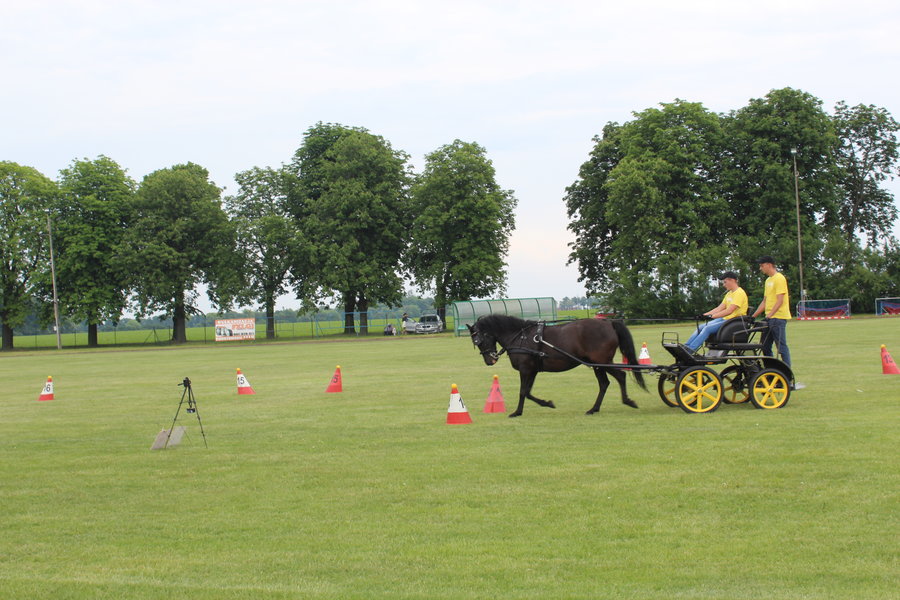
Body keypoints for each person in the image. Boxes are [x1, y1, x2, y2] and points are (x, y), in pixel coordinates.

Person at [683, 271, 748, 352]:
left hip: (734, 321)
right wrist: (703, 315)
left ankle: (690, 350)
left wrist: (711, 316)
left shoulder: (739, 293)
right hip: (726, 320)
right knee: (700, 327)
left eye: (725, 282)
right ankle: (686, 347)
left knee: (707, 329)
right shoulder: (729, 294)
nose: (724, 285)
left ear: (732, 280)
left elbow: (729, 311)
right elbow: (719, 308)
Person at [751, 255, 792, 366]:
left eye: (762, 266)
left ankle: (787, 374)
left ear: (769, 265)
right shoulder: (768, 280)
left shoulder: (779, 278)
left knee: (781, 346)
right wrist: (753, 316)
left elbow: (780, 301)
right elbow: (765, 301)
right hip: (769, 318)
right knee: (764, 346)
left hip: (778, 318)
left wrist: (770, 315)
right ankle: (771, 370)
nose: (760, 268)